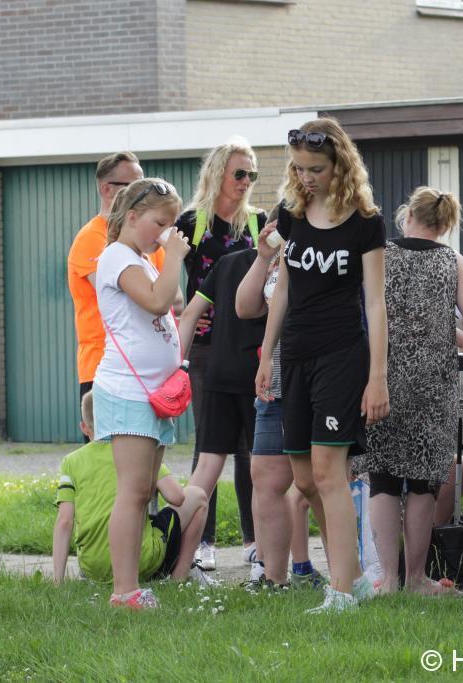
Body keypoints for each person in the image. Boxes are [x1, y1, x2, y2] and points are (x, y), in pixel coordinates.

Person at [256, 118, 389, 613]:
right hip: (296, 354)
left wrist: (378, 377)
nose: (305, 177)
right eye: (298, 168)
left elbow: (375, 303)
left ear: (340, 165)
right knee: (305, 478)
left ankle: (341, 594)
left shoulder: (365, 222)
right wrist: (267, 354)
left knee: (329, 472)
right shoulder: (290, 215)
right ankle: (353, 576)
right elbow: (283, 290)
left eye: (315, 169)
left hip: (342, 355)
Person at [352, 187, 463, 595]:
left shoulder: (380, 254)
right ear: (446, 224)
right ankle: (416, 577)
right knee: (423, 482)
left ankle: (387, 578)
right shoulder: (452, 261)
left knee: (382, 478)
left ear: (408, 215)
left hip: (380, 379)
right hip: (433, 386)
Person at [91, 177, 190, 608]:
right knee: (133, 492)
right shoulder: (117, 256)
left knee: (144, 490)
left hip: (153, 394)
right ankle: (124, 590)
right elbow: (155, 302)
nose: (165, 233)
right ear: (131, 216)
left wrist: (166, 260)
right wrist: (176, 257)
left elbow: (173, 301)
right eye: (159, 223)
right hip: (128, 391)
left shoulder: (142, 258)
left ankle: (131, 584)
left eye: (171, 224)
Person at [176, 139, 266, 570]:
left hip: (250, 347)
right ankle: (202, 541)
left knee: (252, 444)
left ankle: (254, 539)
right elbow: (165, 277)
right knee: (208, 441)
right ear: (217, 174)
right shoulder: (191, 223)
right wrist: (181, 318)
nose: (246, 182)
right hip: (208, 348)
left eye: (252, 174)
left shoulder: (258, 223)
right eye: (239, 173)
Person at [235, 215, 330, 588]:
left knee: (319, 481)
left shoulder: (324, 250)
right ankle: (274, 578)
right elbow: (244, 307)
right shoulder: (273, 262)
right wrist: (263, 256)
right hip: (274, 385)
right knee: (266, 477)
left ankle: (344, 575)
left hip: (317, 380)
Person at [52, 391, 211, 592]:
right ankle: (178, 579)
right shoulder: (137, 454)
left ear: (84, 427)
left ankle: (70, 579)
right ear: (118, 419)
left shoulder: (70, 462)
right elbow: (176, 497)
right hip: (141, 561)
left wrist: (57, 583)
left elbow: (65, 521)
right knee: (198, 497)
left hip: (93, 568)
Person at [67, 152, 169, 440]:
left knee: (148, 453)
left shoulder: (148, 241)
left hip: (142, 367)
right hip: (104, 367)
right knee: (107, 459)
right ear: (107, 189)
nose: (143, 194)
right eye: (133, 186)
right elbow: (138, 297)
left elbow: (170, 298)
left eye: (144, 185)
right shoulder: (91, 238)